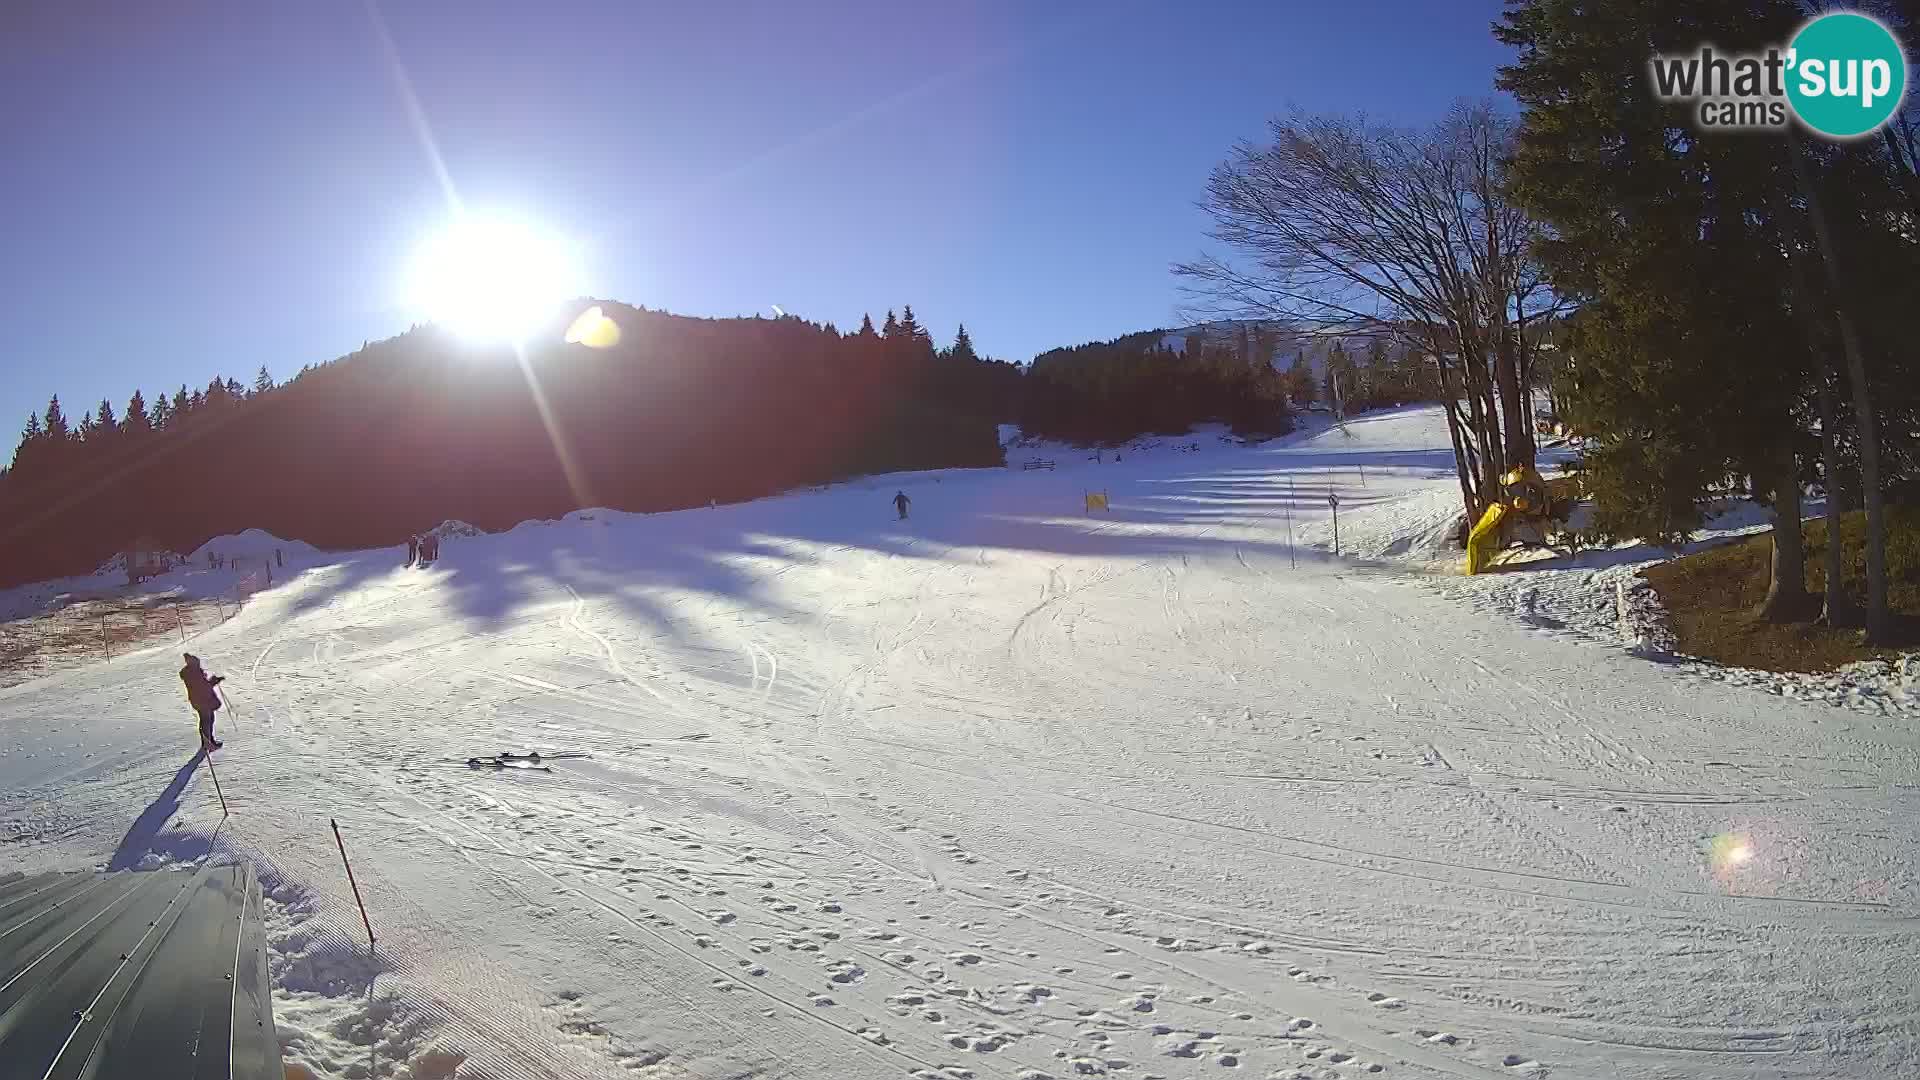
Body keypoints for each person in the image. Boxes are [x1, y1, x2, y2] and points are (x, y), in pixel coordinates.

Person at [180, 653, 225, 751]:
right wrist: (213, 681)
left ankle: (209, 741)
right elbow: (203, 687)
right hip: (202, 701)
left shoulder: (193, 673)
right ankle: (207, 743)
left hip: (202, 700)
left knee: (208, 720)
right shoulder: (193, 674)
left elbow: (204, 685)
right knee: (206, 721)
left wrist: (213, 681)